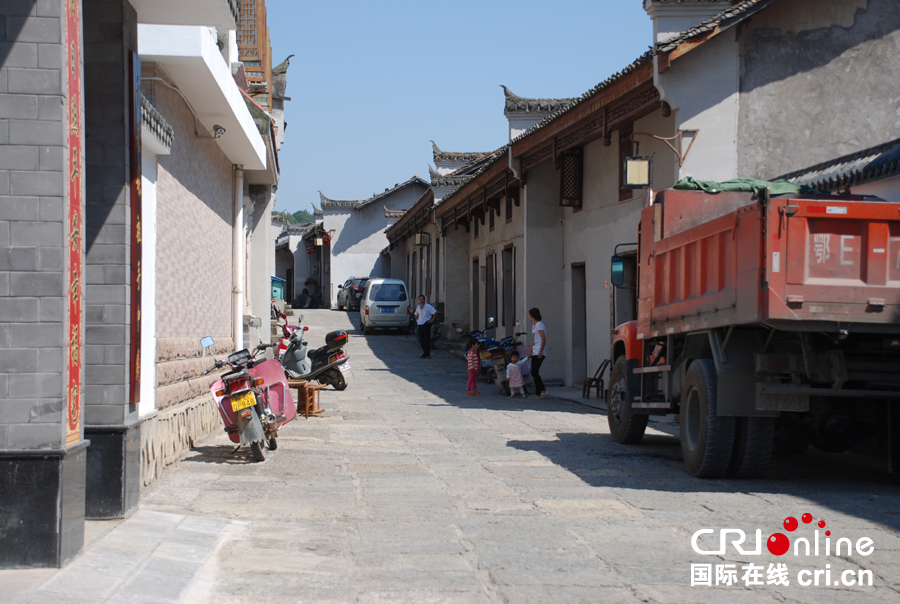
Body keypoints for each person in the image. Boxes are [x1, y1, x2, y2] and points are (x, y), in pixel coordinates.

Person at [526, 307, 547, 398]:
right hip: (535, 351)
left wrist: (540, 351)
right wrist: (530, 351)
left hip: (539, 351)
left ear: (531, 315)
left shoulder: (540, 325)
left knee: (534, 371)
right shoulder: (534, 326)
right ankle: (538, 392)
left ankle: (542, 389)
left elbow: (543, 338)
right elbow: (534, 340)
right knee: (533, 371)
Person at [414, 294, 437, 359]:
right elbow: (416, 314)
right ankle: (424, 353)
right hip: (420, 324)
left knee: (427, 339)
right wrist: (417, 320)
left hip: (426, 324)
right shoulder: (418, 307)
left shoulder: (428, 306)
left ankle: (428, 354)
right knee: (421, 340)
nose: (421, 301)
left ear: (424, 300)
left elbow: (435, 312)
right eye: (420, 299)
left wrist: (432, 320)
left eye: (422, 299)